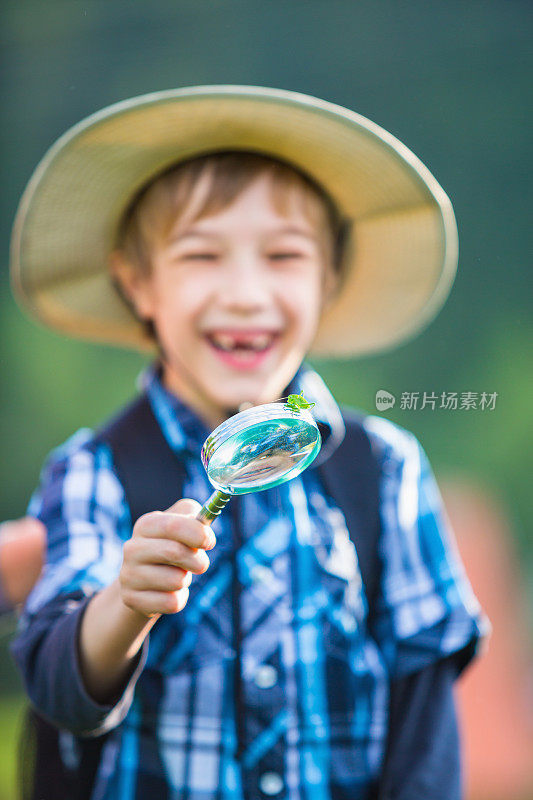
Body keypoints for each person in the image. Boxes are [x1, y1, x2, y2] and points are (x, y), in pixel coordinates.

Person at [10, 86, 489, 800]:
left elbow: (422, 726)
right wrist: (126, 603)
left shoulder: (383, 469)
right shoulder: (94, 472)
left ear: (328, 280)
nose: (244, 292)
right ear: (138, 282)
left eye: (283, 256)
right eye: (203, 256)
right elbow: (62, 689)